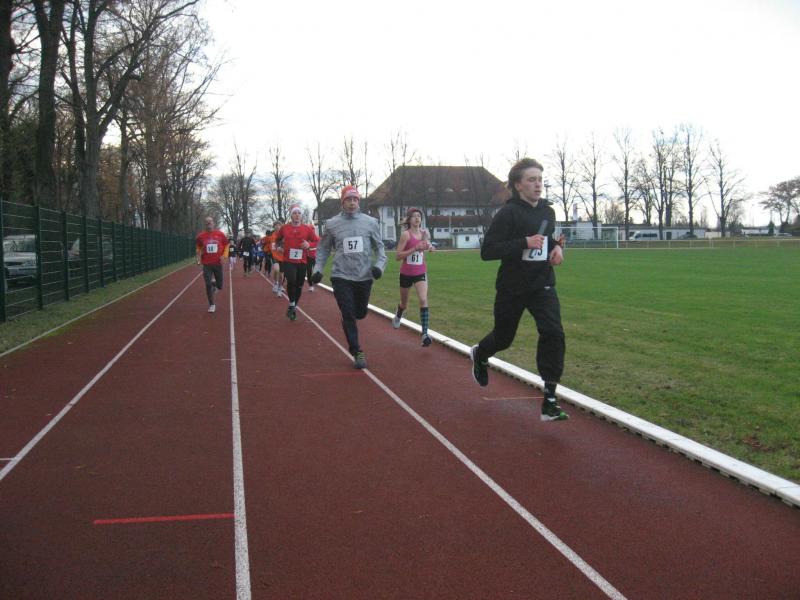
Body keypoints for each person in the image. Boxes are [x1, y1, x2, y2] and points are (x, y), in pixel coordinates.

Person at [470, 157, 569, 422]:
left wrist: (558, 248)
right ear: (518, 185)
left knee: (553, 332)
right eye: (531, 180)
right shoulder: (508, 214)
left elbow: (547, 240)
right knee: (504, 339)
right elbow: (488, 251)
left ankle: (550, 399)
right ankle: (480, 354)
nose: (538, 185)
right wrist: (523, 242)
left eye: (540, 179)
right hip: (512, 287)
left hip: (542, 284)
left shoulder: (548, 212)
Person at [311, 185, 387, 369]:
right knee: (348, 313)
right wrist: (318, 269)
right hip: (341, 276)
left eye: (355, 199)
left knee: (360, 312)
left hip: (364, 276)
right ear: (342, 202)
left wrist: (379, 267)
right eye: (348, 200)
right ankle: (357, 351)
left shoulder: (371, 222)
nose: (352, 203)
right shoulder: (332, 224)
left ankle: (350, 319)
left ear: (358, 202)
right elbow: (323, 249)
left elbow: (380, 249)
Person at [392, 207, 434, 346]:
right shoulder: (406, 235)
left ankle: (425, 334)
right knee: (404, 304)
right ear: (409, 219)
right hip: (406, 273)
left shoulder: (424, 233)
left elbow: (427, 244)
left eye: (419, 216)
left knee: (423, 299)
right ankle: (399, 313)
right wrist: (414, 248)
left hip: (420, 272)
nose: (417, 218)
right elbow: (398, 256)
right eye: (414, 216)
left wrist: (430, 247)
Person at [275, 205, 320, 320]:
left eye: (299, 213)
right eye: (295, 213)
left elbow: (317, 241)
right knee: (291, 280)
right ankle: (291, 304)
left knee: (299, 285)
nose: (297, 215)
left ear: (301, 215)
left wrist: (309, 244)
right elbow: (277, 240)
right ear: (291, 215)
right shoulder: (284, 228)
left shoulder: (307, 229)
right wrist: (279, 247)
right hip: (288, 261)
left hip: (302, 261)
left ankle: (293, 307)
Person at [195, 216, 229, 313]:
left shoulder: (220, 234)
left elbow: (226, 245)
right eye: (207, 222)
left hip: (218, 263)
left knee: (220, 286)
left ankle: (215, 283)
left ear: (213, 223)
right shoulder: (200, 236)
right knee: (208, 284)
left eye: (210, 221)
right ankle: (211, 305)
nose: (209, 223)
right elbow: (198, 247)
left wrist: (225, 256)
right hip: (206, 263)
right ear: (205, 224)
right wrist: (198, 257)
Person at [267, 221, 286, 295]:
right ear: (274, 227)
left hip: (283, 257)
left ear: (281, 227)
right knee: (276, 269)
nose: (277, 227)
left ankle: (280, 287)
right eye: (276, 225)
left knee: (281, 274)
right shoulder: (272, 236)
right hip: (275, 256)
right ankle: (275, 283)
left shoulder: (284, 235)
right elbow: (271, 246)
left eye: (279, 225)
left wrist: (283, 249)